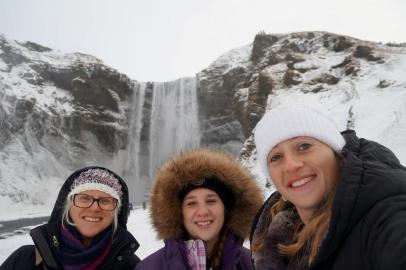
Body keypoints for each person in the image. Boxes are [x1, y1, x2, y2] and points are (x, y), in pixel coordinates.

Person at [250, 103, 406, 270]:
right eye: (276, 157)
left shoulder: (385, 218)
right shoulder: (273, 240)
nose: (291, 165)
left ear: (339, 156)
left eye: (304, 146)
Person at [136, 149, 263, 270]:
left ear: (226, 209)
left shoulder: (254, 264)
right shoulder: (148, 267)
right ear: (178, 213)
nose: (202, 212)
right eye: (191, 203)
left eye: (211, 201)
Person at [1, 166, 140, 270]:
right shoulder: (24, 260)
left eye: (105, 201)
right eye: (84, 198)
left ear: (116, 212)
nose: (94, 208)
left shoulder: (133, 266)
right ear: (68, 206)